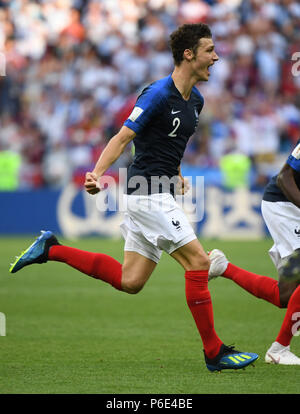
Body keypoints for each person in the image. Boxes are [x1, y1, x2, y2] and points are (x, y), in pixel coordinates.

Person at [9, 23, 258, 372]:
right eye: (209, 50)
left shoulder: (196, 101)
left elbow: (168, 146)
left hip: (158, 190)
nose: (215, 57)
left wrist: (179, 175)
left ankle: (52, 249)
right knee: (199, 263)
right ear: (189, 55)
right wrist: (97, 173)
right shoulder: (157, 94)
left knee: (131, 281)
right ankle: (214, 353)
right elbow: (122, 138)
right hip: (146, 193)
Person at [209, 138, 300, 365]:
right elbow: (284, 177)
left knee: (286, 296)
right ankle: (279, 349)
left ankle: (224, 268)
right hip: (285, 205)